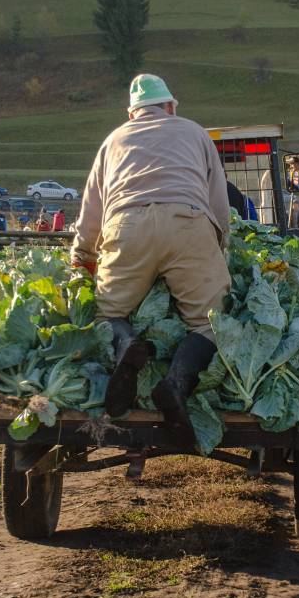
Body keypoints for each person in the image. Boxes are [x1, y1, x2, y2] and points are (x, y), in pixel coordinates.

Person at [71, 73, 230, 448]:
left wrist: (82, 257)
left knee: (107, 314)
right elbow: (218, 199)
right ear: (171, 107)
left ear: (132, 115)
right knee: (211, 324)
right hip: (187, 223)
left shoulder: (112, 141)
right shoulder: (194, 132)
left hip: (126, 226)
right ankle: (175, 384)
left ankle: (126, 345)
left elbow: (91, 210)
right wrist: (219, 246)